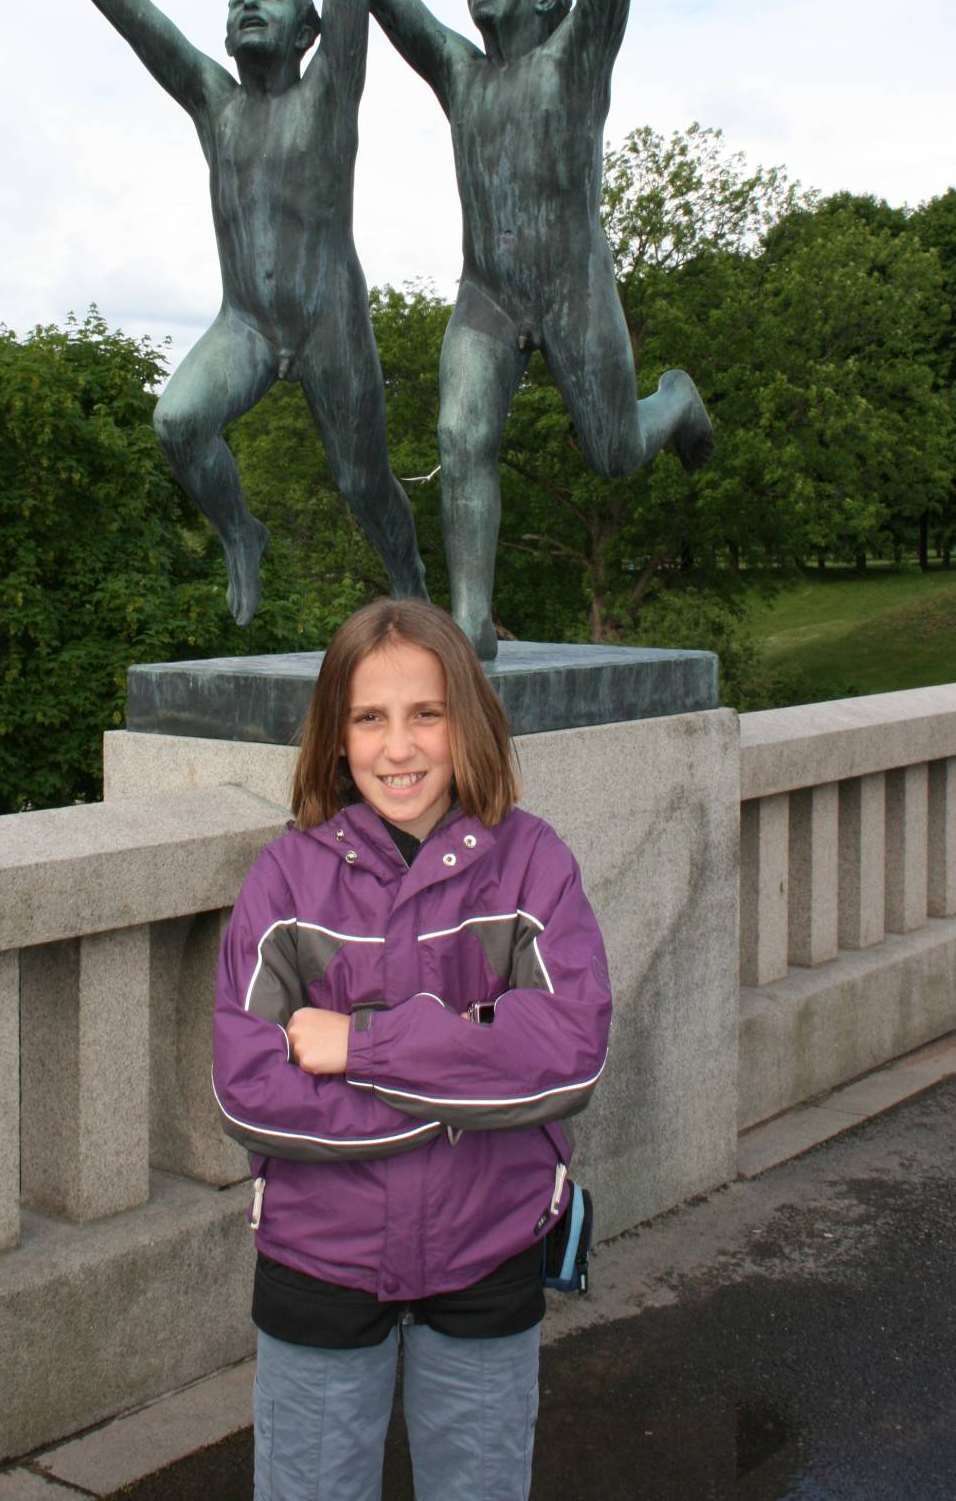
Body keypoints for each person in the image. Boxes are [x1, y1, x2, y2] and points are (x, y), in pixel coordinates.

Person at [245, 0, 713, 657]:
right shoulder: (461, 75)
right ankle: (467, 621)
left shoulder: (575, 62)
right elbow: (389, 2)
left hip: (574, 291)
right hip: (488, 297)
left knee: (614, 453)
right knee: (460, 437)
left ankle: (678, 400)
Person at [212, 598, 611, 1499]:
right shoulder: (284, 877)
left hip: (486, 1251)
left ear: (464, 718)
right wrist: (471, 1065)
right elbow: (248, 1089)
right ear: (335, 734)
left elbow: (572, 1048)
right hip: (321, 1261)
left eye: (425, 713)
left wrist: (362, 1044)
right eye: (370, 718)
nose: (400, 747)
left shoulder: (531, 861)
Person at [12, 0, 426, 627]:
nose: (244, 10)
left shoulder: (330, 90)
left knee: (360, 480)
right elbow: (145, 27)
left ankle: (412, 587)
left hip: (328, 322)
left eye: (265, 1)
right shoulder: (214, 101)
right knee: (176, 421)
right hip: (245, 324)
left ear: (306, 33)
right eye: (235, 2)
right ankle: (242, 532)